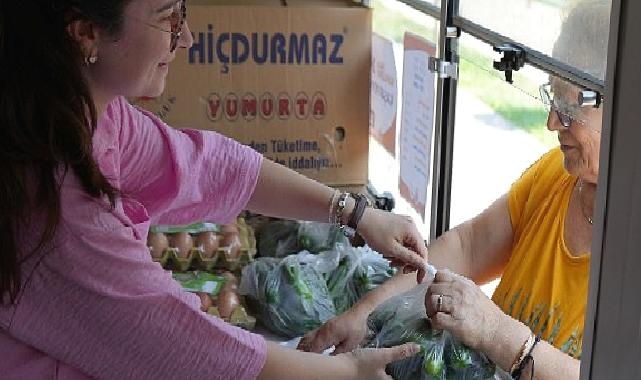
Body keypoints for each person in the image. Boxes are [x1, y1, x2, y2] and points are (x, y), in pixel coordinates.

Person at [0, 0, 429, 379]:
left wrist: (355, 213)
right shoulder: (57, 208)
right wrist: (347, 373)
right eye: (169, 16)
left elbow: (203, 165)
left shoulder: (83, 114)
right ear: (85, 32)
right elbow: (184, 347)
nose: (184, 37)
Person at [298, 2, 610, 379]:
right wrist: (365, 314)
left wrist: (498, 333)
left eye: (568, 108)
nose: (550, 122)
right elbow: (469, 247)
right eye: (552, 99)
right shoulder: (555, 177)